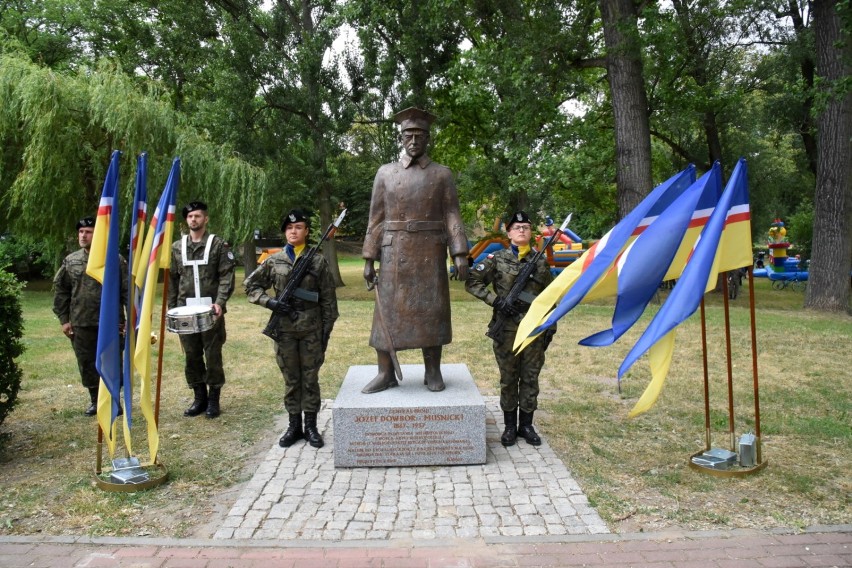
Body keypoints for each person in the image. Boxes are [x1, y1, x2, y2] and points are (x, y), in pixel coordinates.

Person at [361, 107, 469, 394]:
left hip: (430, 252)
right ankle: (385, 372)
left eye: (420, 135)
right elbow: (376, 218)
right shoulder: (385, 173)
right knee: (387, 313)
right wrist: (369, 258)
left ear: (428, 138)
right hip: (394, 253)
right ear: (401, 137)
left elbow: (452, 215)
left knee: (430, 309)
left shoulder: (442, 175)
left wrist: (459, 252)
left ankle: (432, 370)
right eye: (409, 134)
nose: (414, 140)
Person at [244, 209, 339, 448]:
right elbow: (251, 286)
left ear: (306, 231)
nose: (293, 231)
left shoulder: (317, 260)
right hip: (284, 329)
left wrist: (325, 332)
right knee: (291, 378)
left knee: (310, 378)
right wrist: (270, 302)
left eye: (298, 228)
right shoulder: (274, 260)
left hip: (311, 329)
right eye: (289, 228)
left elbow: (328, 300)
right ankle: (294, 425)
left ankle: (311, 426)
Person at [465, 211, 555, 447]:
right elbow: (472, 281)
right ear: (509, 232)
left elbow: (551, 296)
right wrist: (495, 301)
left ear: (530, 231)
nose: (522, 230)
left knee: (530, 377)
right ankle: (509, 427)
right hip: (506, 329)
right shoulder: (496, 258)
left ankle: (526, 425)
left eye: (526, 226)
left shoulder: (541, 262)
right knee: (508, 378)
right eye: (517, 227)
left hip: (533, 329)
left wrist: (550, 326)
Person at [168, 201, 235, 419]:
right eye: (190, 217)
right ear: (186, 220)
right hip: (185, 311)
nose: (193, 220)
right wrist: (172, 309)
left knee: (213, 354)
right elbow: (172, 280)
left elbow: (226, 275)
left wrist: (221, 302)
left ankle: (214, 399)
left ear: (205, 219)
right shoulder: (177, 247)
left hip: (210, 310)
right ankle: (199, 397)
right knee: (191, 355)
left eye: (197, 216)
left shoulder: (218, 245)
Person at [53, 217, 127, 415]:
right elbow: (61, 290)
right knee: (86, 362)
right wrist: (64, 320)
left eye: (88, 232)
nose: (83, 235)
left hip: (111, 322)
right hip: (81, 322)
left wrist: (131, 319)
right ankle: (95, 400)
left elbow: (126, 290)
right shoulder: (71, 261)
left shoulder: (114, 260)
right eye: (81, 232)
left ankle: (113, 400)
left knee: (112, 361)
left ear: (99, 235)